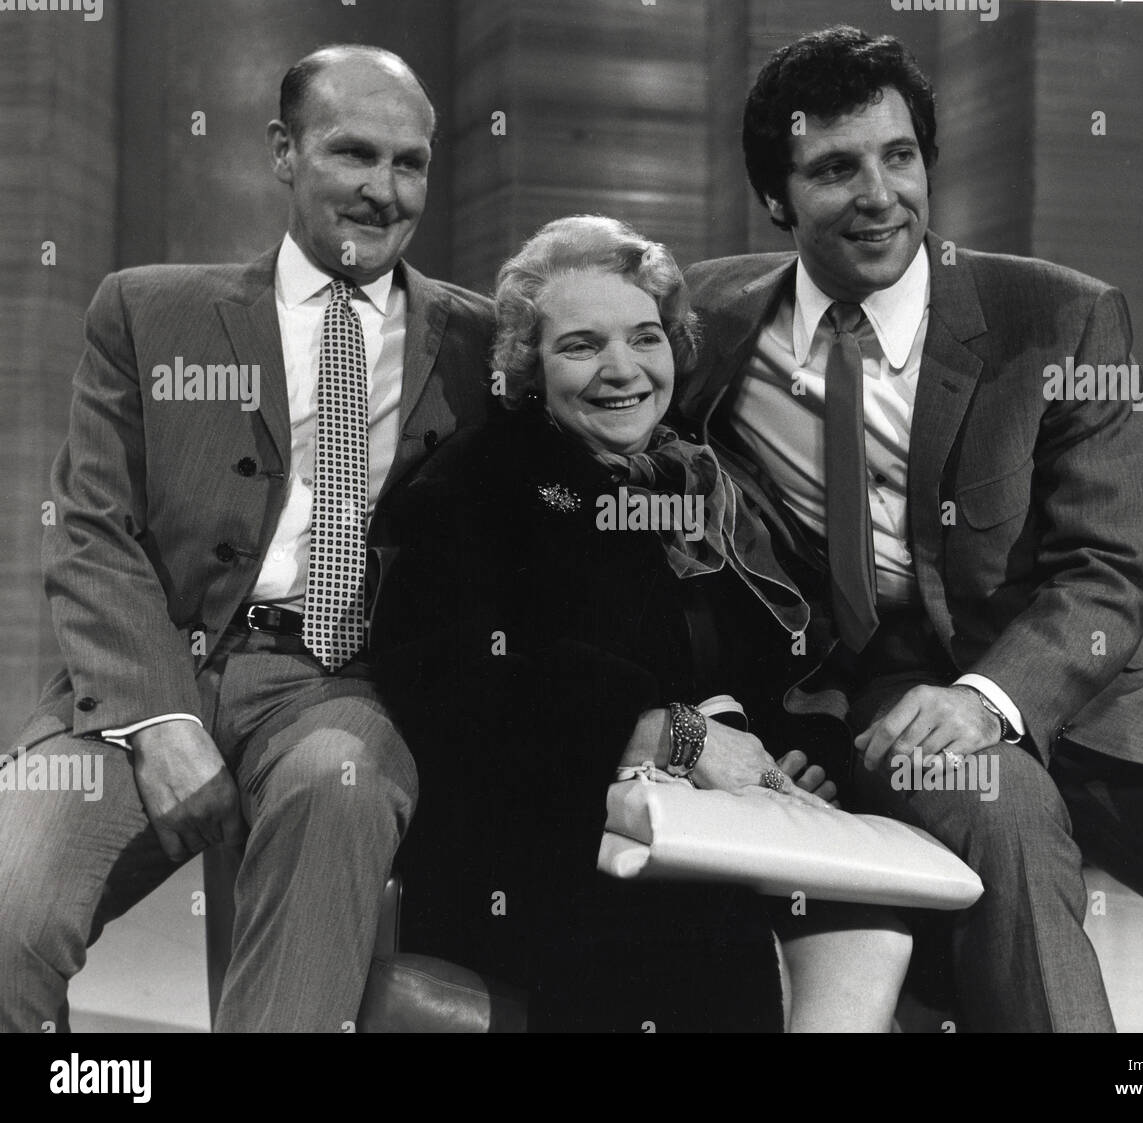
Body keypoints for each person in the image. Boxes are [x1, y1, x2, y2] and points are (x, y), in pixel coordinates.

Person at [677, 26, 1143, 1032]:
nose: (879, 193)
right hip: (887, 712)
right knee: (1003, 810)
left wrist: (986, 696)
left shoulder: (1059, 318)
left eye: (898, 157)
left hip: (1102, 704)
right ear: (775, 198)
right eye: (835, 169)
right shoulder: (707, 327)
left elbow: (1109, 570)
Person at [0, 45, 494, 1032]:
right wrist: (161, 720)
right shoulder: (149, 312)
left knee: (336, 792)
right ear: (282, 150)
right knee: (10, 910)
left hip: (341, 687)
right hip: (145, 682)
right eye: (354, 153)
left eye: (409, 163)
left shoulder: (485, 345)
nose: (382, 190)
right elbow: (93, 532)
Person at [370, 214, 913, 1033]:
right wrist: (663, 728)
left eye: (645, 337)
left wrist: (805, 757)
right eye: (582, 345)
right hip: (539, 832)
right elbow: (445, 678)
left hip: (715, 821)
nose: (622, 370)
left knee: (869, 927)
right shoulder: (478, 481)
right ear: (528, 364)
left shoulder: (705, 478)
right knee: (701, 934)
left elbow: (785, 662)